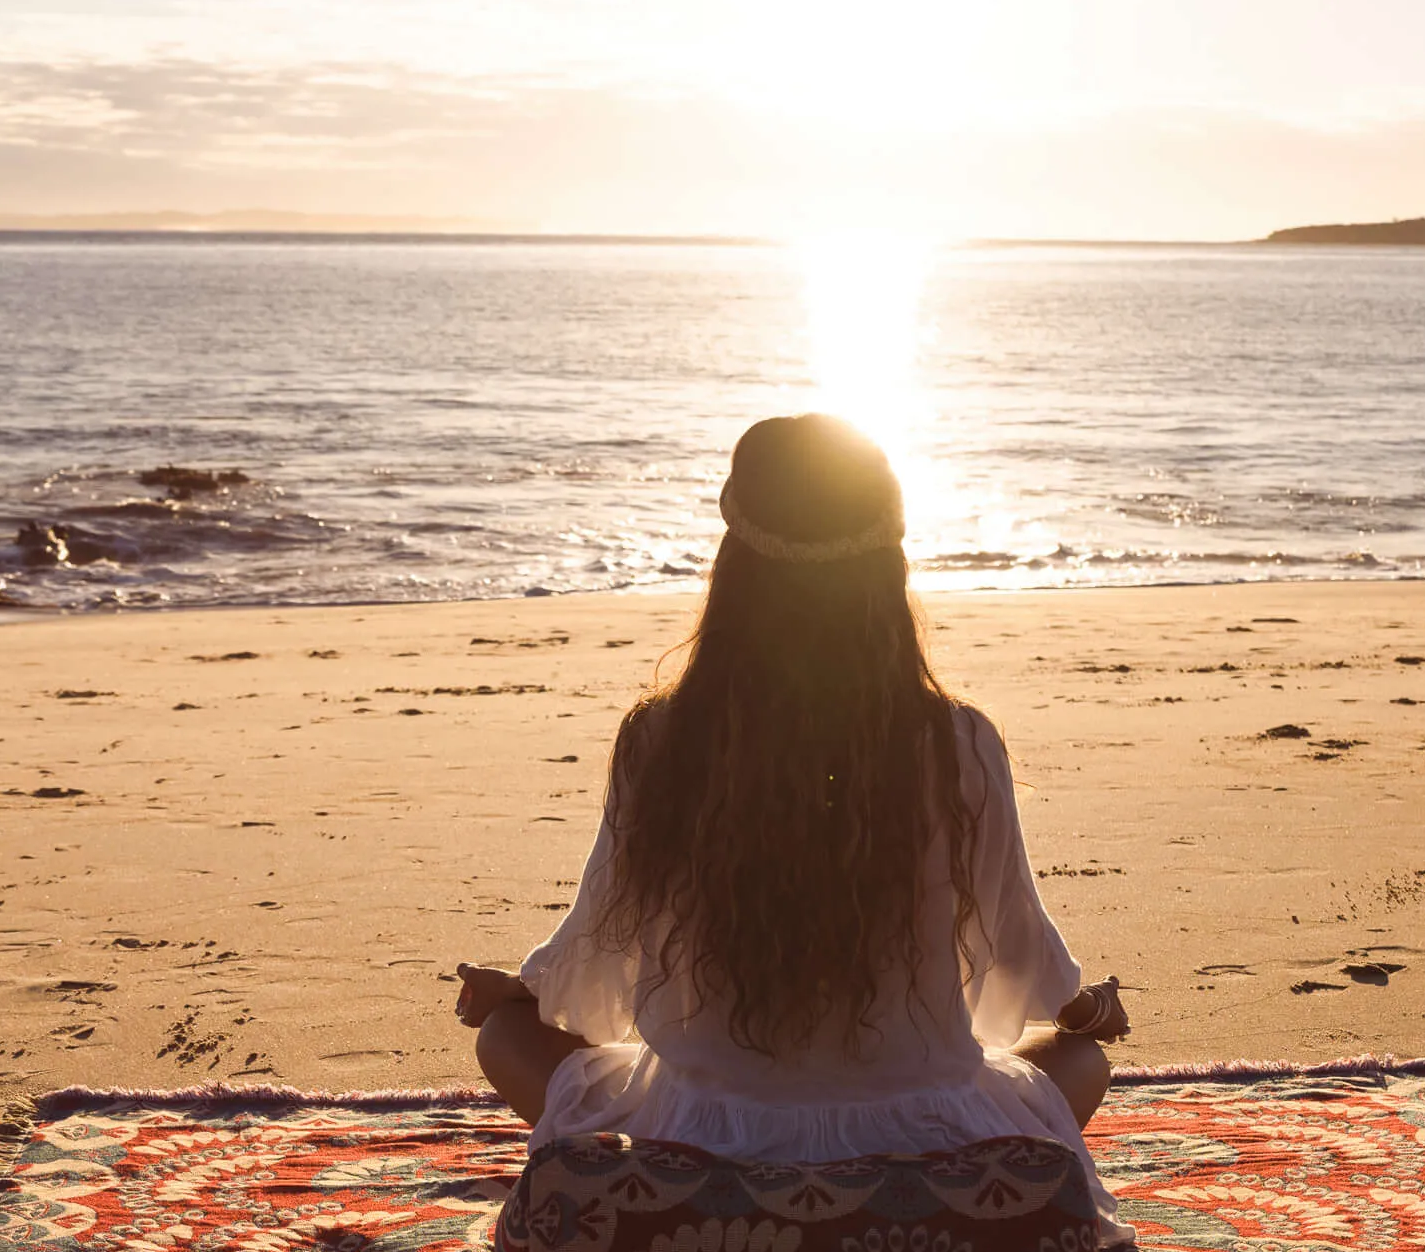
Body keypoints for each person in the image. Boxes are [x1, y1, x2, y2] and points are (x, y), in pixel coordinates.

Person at [453, 412, 1127, 1192]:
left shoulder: (664, 738)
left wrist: (526, 993)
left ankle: (726, 1216)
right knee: (1080, 1062)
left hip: (705, 1145)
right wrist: (1084, 1010)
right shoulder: (959, 741)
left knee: (505, 1036)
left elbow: (601, 945)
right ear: (887, 569)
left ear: (735, 564)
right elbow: (1020, 951)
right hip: (916, 1142)